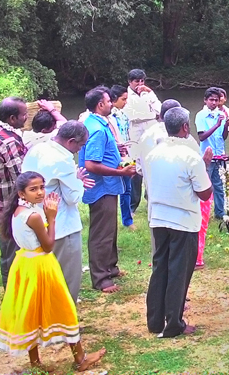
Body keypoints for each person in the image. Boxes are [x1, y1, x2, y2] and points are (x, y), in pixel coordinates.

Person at [0, 172, 106, 372]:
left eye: (41, 187)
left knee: (31, 312)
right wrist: (52, 218)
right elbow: (47, 246)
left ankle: (35, 363)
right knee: (64, 308)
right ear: (22, 193)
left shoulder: (18, 211)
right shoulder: (35, 216)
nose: (39, 193)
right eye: (33, 189)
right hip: (42, 266)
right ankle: (80, 359)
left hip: (24, 265)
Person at [142, 107, 214, 338]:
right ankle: (174, 323)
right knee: (178, 273)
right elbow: (204, 193)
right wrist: (206, 166)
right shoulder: (191, 156)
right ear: (185, 127)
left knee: (160, 268)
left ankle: (155, 321)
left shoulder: (153, 153)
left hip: (158, 218)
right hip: (183, 221)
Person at [21, 121, 93, 302]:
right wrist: (78, 181)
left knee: (45, 275)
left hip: (37, 222)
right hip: (62, 227)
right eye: (80, 145)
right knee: (66, 278)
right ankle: (64, 322)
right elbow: (73, 197)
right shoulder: (63, 159)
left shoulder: (37, 149)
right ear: (71, 141)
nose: (79, 151)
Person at [79, 87, 136, 293]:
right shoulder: (96, 128)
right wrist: (121, 172)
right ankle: (101, 277)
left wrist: (115, 150)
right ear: (100, 105)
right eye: (108, 101)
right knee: (101, 233)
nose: (111, 103)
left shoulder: (98, 124)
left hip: (108, 186)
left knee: (109, 230)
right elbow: (91, 164)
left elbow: (101, 152)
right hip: (101, 187)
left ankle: (111, 267)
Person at [0, 97, 29, 288]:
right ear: (12, 118)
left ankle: (11, 290)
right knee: (14, 252)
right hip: (10, 207)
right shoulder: (9, 142)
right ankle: (14, 293)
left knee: (7, 250)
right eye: (24, 115)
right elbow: (23, 177)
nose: (27, 118)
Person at [138, 99, 183, 258]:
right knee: (175, 232)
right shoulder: (173, 136)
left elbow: (139, 167)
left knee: (157, 231)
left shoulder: (145, 134)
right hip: (172, 191)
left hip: (152, 190)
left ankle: (158, 262)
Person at [126, 69, 161, 215]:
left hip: (151, 129)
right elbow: (132, 115)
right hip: (135, 132)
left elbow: (160, 109)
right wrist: (149, 112)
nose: (140, 84)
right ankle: (133, 204)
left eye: (142, 81)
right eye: (136, 81)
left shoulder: (149, 93)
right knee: (135, 167)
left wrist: (149, 94)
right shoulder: (126, 95)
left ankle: (151, 199)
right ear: (130, 82)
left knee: (152, 163)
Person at [196, 87, 229, 220]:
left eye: (216, 100)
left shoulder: (221, 114)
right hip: (207, 158)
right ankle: (202, 214)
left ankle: (220, 213)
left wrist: (225, 125)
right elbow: (202, 136)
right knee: (204, 186)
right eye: (211, 100)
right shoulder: (201, 115)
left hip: (219, 155)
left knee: (219, 186)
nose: (214, 103)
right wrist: (217, 124)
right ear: (205, 100)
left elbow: (223, 136)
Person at [108, 85, 136, 230]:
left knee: (127, 187)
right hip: (114, 156)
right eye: (123, 99)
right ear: (113, 100)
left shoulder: (123, 114)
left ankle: (127, 219)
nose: (125, 102)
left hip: (125, 154)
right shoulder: (109, 117)